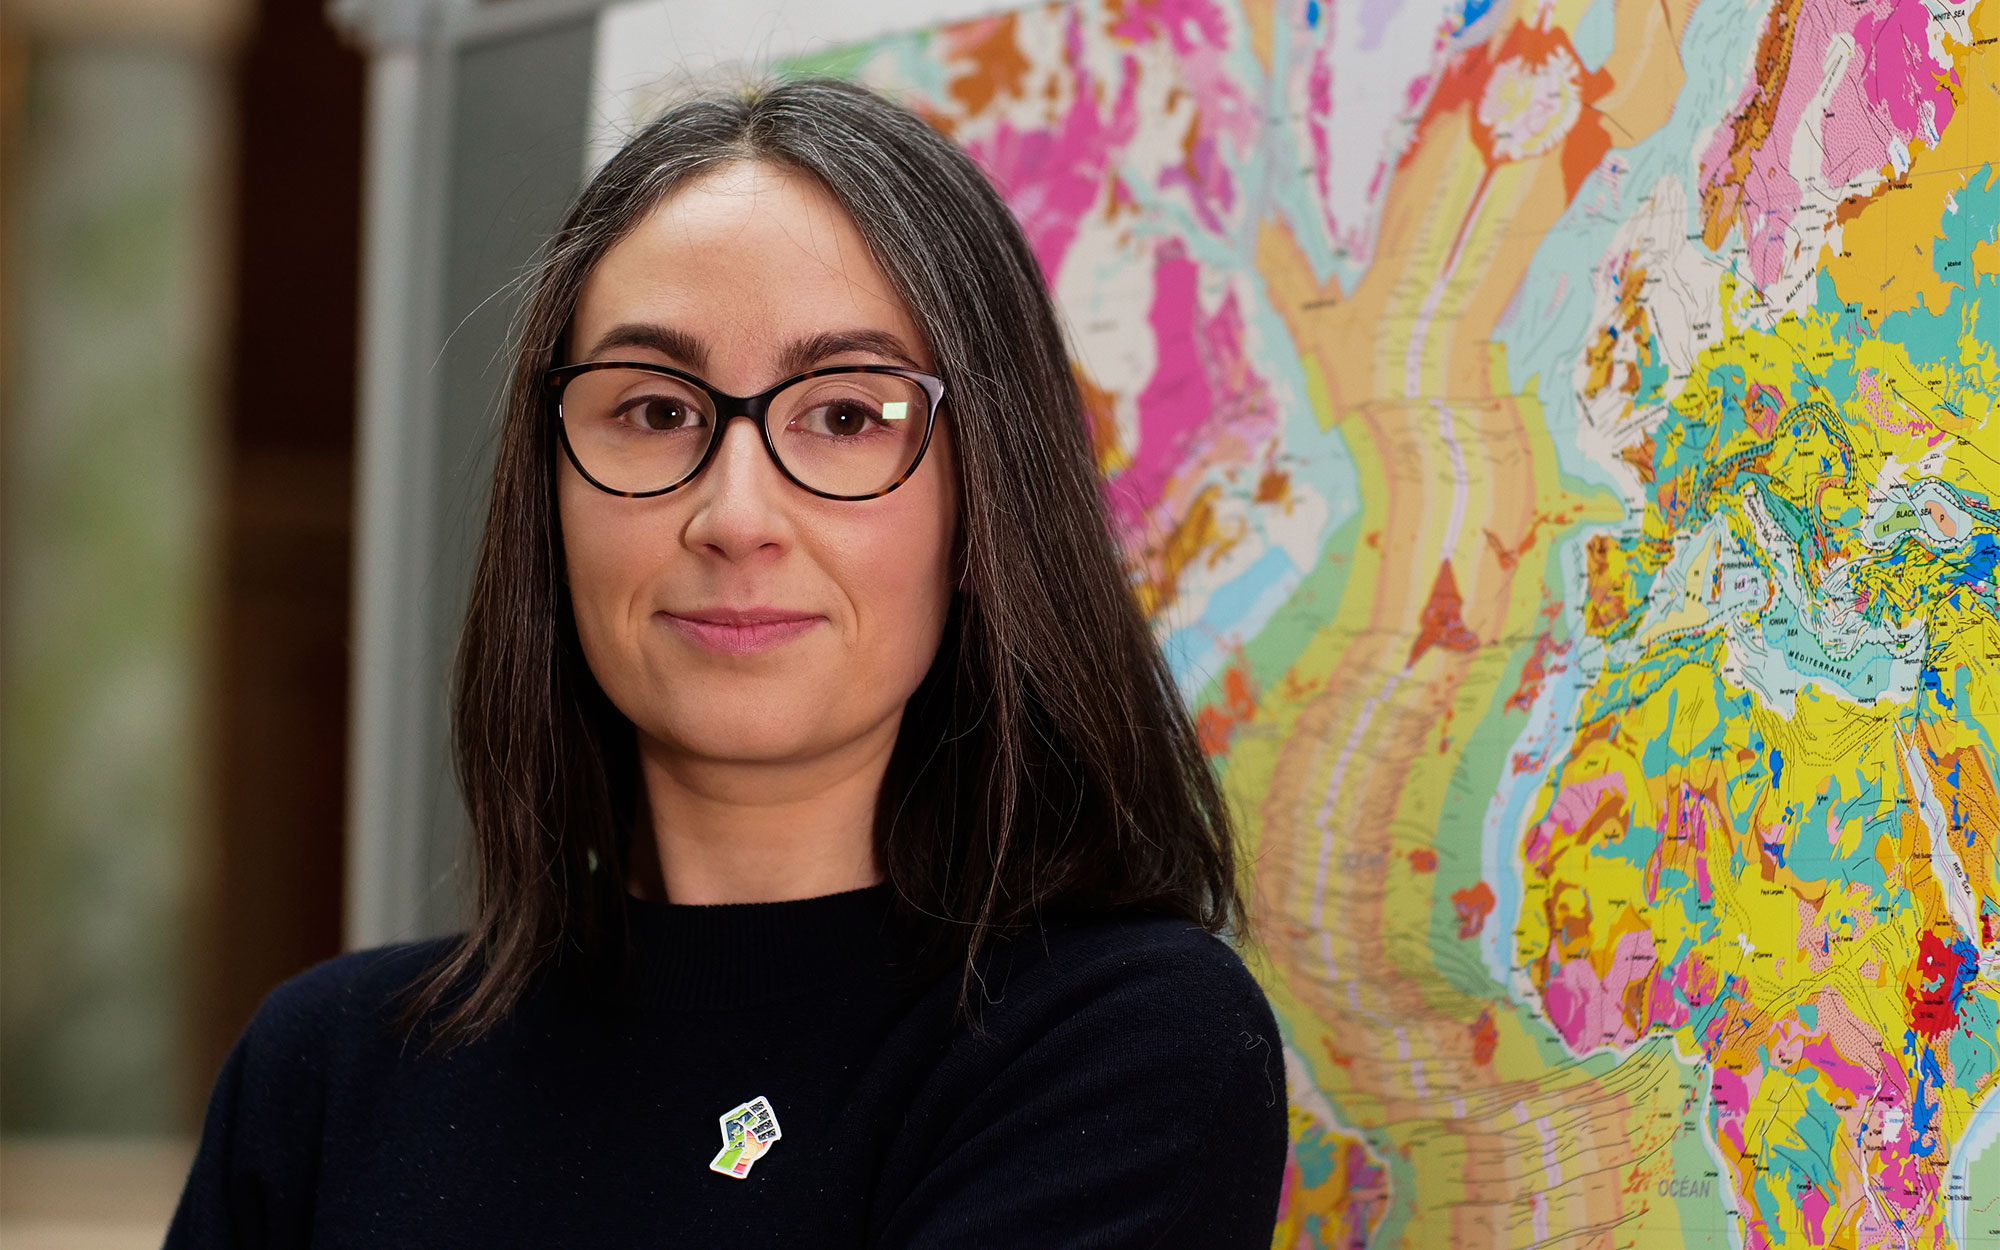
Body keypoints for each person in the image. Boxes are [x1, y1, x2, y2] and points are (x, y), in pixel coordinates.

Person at [166, 76, 1288, 1247]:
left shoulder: (1120, 1046)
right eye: (653, 411)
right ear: (547, 500)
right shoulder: (325, 1073)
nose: (734, 513)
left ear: (983, 503)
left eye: (846, 416)